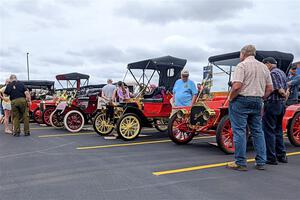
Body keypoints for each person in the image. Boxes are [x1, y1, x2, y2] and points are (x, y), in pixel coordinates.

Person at [227, 45, 273, 171]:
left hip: (241, 100)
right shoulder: (264, 67)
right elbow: (270, 89)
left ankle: (241, 162)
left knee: (239, 131)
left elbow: (236, 86)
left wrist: (230, 98)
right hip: (257, 101)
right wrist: (261, 98)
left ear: (243, 53)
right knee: (258, 131)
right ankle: (261, 162)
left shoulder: (241, 66)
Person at [262, 57, 288, 165]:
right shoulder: (282, 72)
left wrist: (263, 97)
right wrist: (284, 97)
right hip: (281, 105)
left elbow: (277, 89)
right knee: (278, 131)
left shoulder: (272, 73)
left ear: (268, 64)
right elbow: (287, 89)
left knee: (269, 131)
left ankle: (271, 158)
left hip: (272, 104)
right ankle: (282, 156)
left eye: (264, 65)